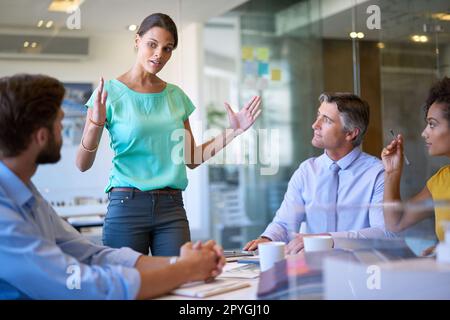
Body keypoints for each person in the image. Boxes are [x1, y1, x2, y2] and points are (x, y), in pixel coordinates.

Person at [0, 74, 225, 299]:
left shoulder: (27, 194)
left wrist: (182, 262)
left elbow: (92, 255)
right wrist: (185, 269)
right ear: (41, 136)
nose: (63, 128)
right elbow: (80, 284)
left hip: (171, 204)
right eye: (60, 122)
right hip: (126, 203)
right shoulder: (4, 213)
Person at [76, 13, 262, 256]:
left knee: (180, 285)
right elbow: (82, 164)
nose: (159, 55)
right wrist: (94, 123)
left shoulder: (175, 96)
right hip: (126, 204)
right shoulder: (108, 93)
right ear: (137, 40)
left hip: (171, 208)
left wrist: (233, 132)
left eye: (167, 48)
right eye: (152, 44)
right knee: (129, 288)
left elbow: (192, 158)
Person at [244, 92, 394, 254]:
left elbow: (383, 232)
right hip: (310, 268)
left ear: (350, 133)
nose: (315, 125)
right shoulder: (306, 171)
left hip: (360, 269)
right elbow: (285, 223)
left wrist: (327, 239)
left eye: (327, 120)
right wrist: (268, 239)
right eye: (318, 116)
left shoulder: (378, 173)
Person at [382, 77, 450, 255]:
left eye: (432, 125)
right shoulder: (440, 180)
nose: (424, 133)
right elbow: (395, 223)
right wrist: (392, 173)